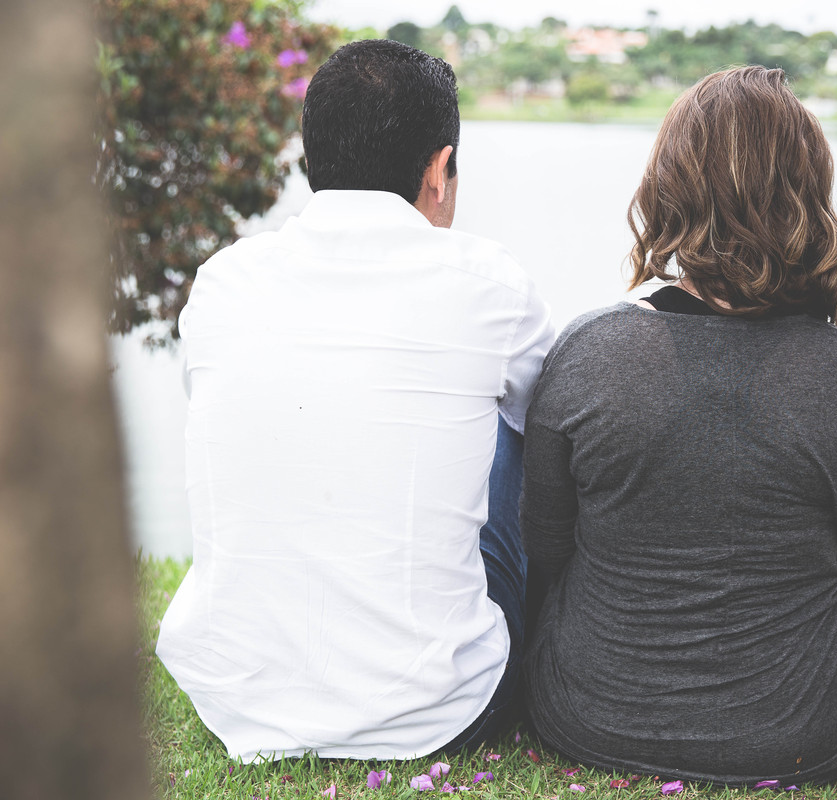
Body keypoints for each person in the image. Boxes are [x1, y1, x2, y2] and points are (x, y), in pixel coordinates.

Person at [519, 66, 837, 786]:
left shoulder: (588, 350)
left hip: (586, 713)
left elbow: (548, 549)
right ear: (810, 192)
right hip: (805, 732)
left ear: (668, 188)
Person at [156, 40, 554, 762]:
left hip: (234, 701)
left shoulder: (221, 284)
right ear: (439, 170)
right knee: (525, 423)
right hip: (441, 712)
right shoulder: (489, 283)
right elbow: (556, 434)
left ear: (315, 162)